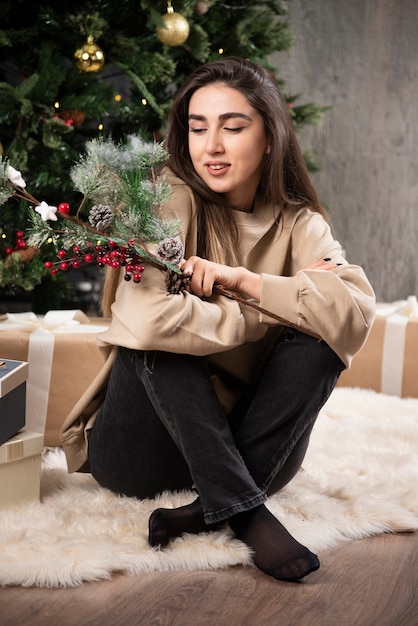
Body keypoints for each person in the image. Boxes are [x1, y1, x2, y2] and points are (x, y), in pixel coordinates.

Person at [61, 57, 376, 582]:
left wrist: (246, 282)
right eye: (197, 128)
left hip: (255, 450)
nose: (211, 146)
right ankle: (246, 513)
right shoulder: (168, 201)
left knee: (320, 340)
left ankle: (209, 507)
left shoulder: (302, 224)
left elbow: (354, 313)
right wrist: (269, 313)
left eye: (232, 127)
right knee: (158, 342)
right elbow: (149, 321)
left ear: (270, 137)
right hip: (141, 451)